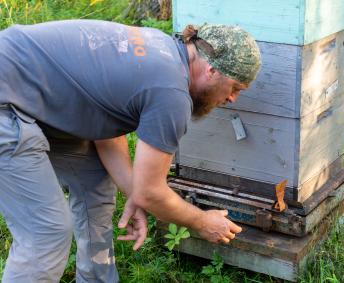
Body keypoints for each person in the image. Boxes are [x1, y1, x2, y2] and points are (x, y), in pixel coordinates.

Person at [0, 19, 261, 282]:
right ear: (212, 70)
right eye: (236, 88)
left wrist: (136, 195)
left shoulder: (162, 50)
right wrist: (203, 222)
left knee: (95, 186)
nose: (232, 99)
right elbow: (152, 192)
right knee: (46, 230)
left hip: (30, 94)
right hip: (7, 102)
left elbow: (107, 131)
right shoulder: (171, 93)